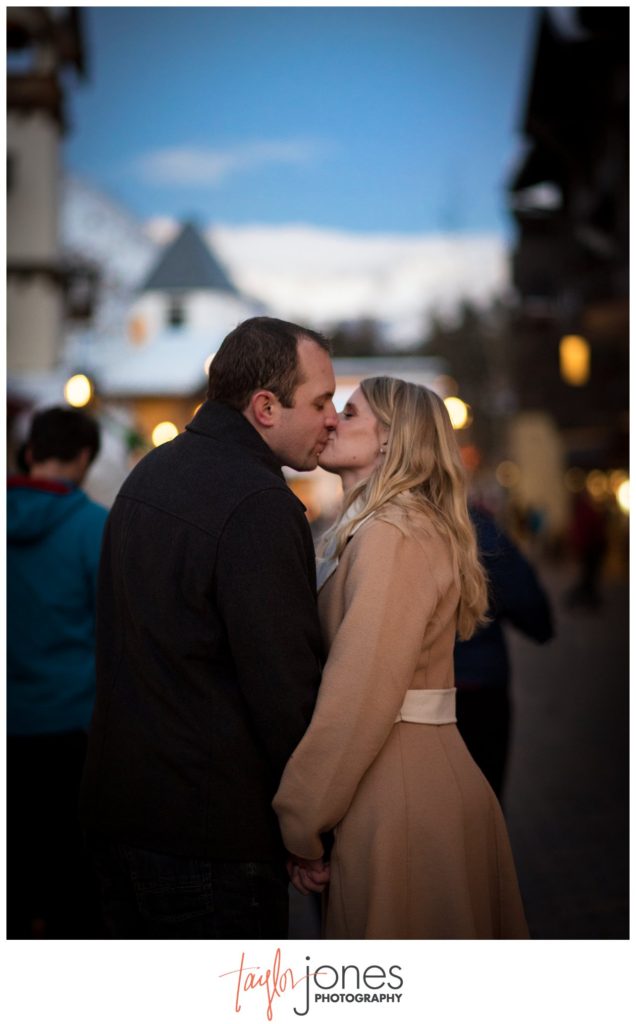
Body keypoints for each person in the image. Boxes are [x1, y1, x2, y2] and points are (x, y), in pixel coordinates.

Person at [80, 316, 338, 939]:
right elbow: (284, 687)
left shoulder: (151, 473)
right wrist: (312, 828)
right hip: (210, 834)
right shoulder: (257, 504)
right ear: (266, 406)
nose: (332, 417)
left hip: (120, 816)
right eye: (322, 401)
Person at [273, 378, 529, 939]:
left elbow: (360, 690)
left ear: (391, 439)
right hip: (400, 782)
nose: (331, 421)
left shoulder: (394, 533)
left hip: (401, 794)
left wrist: (301, 817)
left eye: (349, 410)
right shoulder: (380, 527)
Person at [7, 405, 108, 938]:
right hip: (73, 727)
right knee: (74, 881)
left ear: (30, 453)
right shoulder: (94, 526)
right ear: (85, 457)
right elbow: (115, 629)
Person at [455, 503, 554, 799]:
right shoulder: (478, 527)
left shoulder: (395, 523)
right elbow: (529, 604)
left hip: (423, 692)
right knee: (485, 795)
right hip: (480, 685)